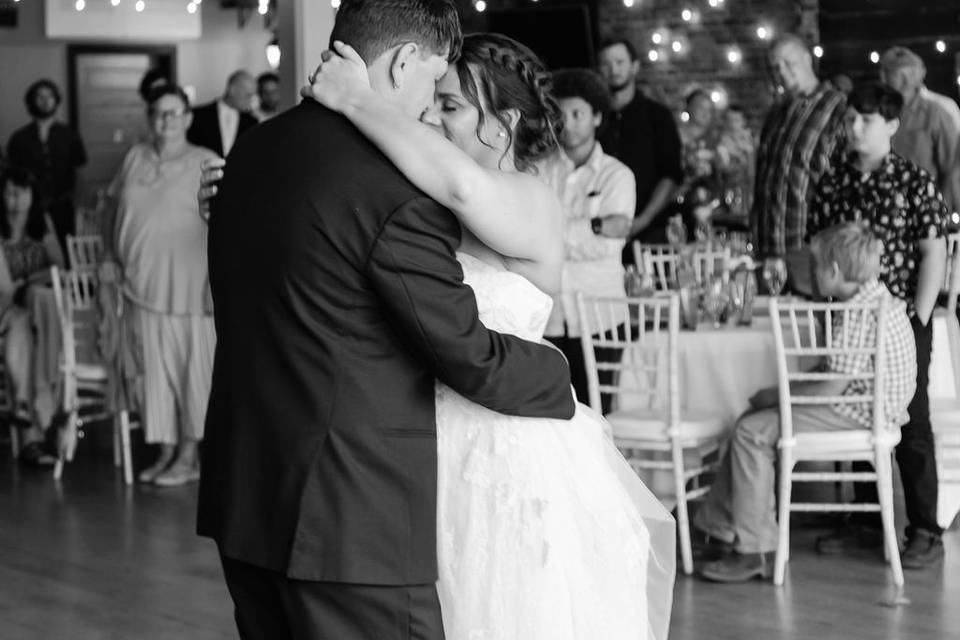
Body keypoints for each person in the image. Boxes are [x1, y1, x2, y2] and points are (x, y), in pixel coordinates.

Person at [200, 11, 674, 639]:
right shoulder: (395, 189)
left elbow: (462, 191)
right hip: (386, 472)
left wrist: (355, 97)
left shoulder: (508, 198)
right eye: (436, 94)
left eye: (449, 105)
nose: (427, 116)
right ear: (403, 63)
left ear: (502, 123)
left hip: (487, 453)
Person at [695, 221, 917, 582]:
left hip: (858, 413)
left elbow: (830, 388)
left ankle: (756, 550)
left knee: (751, 431)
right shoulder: (875, 299)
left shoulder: (861, 312)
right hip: (867, 408)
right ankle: (722, 528)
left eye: (815, 268)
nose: (811, 275)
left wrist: (775, 396)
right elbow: (837, 369)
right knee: (750, 424)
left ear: (833, 271)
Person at [807, 81, 948, 568]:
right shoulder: (831, 183)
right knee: (850, 410)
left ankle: (925, 529)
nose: (855, 127)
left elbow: (935, 251)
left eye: (867, 119)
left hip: (899, 320)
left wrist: (921, 314)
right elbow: (819, 251)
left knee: (912, 418)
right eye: (851, 118)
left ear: (891, 124)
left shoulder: (913, 180)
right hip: (845, 318)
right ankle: (866, 519)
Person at [102, 85, 218, 487]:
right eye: (159, 112)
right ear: (150, 118)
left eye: (174, 112)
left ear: (187, 118)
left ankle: (190, 455)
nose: (166, 120)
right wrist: (109, 257)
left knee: (193, 374)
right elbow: (111, 209)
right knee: (153, 375)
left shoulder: (206, 161)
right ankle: (166, 451)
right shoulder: (134, 157)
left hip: (190, 288)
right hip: (138, 284)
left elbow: (227, 223)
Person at [537, 68, 635, 412]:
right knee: (553, 420)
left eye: (578, 113)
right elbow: (530, 235)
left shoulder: (618, 175)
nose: (568, 123)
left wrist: (552, 236)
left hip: (600, 317)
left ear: (596, 117)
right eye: (561, 114)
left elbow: (608, 245)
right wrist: (594, 225)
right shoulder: (537, 169)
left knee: (599, 418)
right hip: (547, 316)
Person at [752, 34, 846, 283]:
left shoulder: (837, 107)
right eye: (775, 66)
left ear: (808, 59)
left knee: (806, 322)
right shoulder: (775, 113)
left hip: (809, 248)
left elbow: (845, 181)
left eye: (788, 63)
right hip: (766, 247)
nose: (781, 71)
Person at [0, 166, 65, 466]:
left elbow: (60, 270)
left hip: (38, 312)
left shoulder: (41, 225)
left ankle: (29, 416)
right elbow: (5, 289)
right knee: (22, 322)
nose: (16, 200)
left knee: (39, 310)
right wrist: (28, 286)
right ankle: (40, 415)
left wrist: (30, 282)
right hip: (7, 309)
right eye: (10, 192)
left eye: (22, 192)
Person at [596, 38, 683, 260]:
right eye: (606, 64)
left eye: (620, 62)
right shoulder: (594, 118)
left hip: (650, 233)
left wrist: (642, 219)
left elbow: (671, 174)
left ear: (634, 66)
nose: (613, 69)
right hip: (599, 234)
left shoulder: (658, 115)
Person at [6, 79, 87, 260]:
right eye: (39, 96)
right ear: (31, 102)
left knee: (69, 254)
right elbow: (12, 180)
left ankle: (68, 287)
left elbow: (80, 172)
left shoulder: (70, 135)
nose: (45, 100)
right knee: (35, 255)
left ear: (56, 100)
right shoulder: (19, 139)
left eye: (49, 96)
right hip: (30, 209)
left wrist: (79, 206)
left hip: (64, 207)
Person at [879, 46, 960, 214]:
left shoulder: (936, 112)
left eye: (888, 72)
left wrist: (940, 210)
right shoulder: (879, 110)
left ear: (905, 78)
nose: (882, 77)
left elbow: (952, 166)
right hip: (885, 206)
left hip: (924, 209)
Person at [186, 71, 259, 158]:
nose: (250, 100)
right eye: (248, 95)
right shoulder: (198, 115)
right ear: (232, 89)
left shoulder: (252, 122)